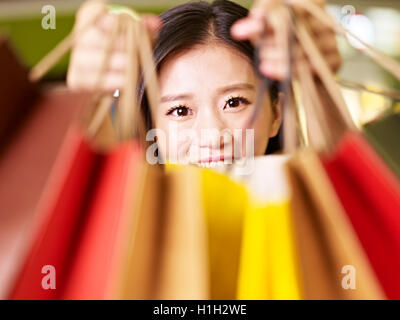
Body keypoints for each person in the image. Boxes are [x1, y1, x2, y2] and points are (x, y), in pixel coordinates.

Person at [67, 0, 340, 166]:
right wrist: (86, 97)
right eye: (181, 110)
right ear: (151, 125)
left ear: (276, 114)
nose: (212, 136)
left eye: (234, 102)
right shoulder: (127, 226)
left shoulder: (310, 216)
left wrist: (319, 83)